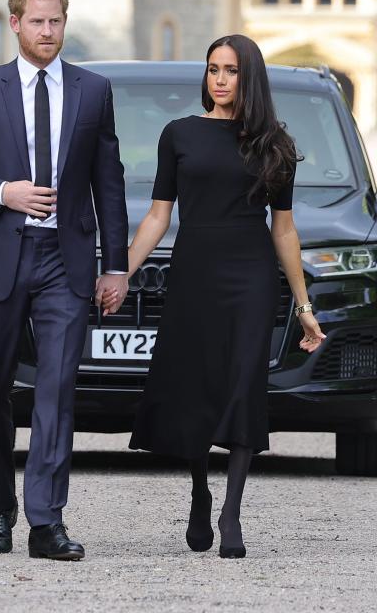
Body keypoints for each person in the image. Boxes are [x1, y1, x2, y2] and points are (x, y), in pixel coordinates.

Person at [0, 0, 129, 561]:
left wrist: (114, 266)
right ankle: (0, 507)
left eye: (56, 22)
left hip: (63, 262)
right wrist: (1, 192)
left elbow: (109, 185)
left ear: (65, 23)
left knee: (57, 389)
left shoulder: (94, 91)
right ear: (14, 23)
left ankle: (46, 521)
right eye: (37, 22)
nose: (47, 32)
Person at [124, 34, 325, 558]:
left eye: (231, 71)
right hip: (195, 270)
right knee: (196, 384)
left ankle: (231, 511)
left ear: (248, 78)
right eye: (213, 69)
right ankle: (199, 489)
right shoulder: (180, 134)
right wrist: (120, 272)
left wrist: (303, 307)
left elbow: (284, 230)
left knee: (243, 384)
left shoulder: (275, 144)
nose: (219, 79)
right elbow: (158, 215)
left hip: (251, 274)